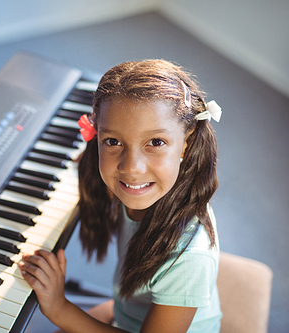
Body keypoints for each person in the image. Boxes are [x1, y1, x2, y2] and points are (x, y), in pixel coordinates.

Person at [18, 59, 223, 332]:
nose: (131, 168)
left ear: (187, 142)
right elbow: (90, 163)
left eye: (156, 142)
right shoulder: (141, 184)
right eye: (113, 141)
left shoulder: (189, 258)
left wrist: (59, 309)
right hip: (129, 312)